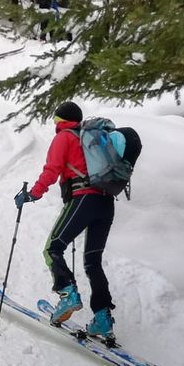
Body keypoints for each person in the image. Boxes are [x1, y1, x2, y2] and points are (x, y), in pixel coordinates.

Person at [13, 101, 116, 336]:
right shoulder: (91, 140)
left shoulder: (64, 137)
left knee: (52, 249)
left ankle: (67, 293)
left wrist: (33, 194)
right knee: (93, 261)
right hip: (106, 202)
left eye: (56, 119)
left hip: (83, 200)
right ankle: (102, 318)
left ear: (61, 120)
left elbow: (52, 170)